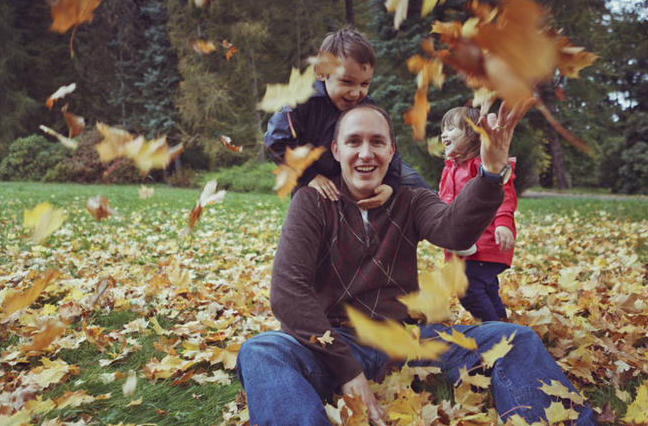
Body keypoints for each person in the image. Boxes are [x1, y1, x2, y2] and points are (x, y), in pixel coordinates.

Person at [238, 101, 596, 426]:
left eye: (377, 142)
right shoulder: (312, 202)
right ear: (336, 149)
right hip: (336, 342)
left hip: (406, 339)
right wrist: (347, 370)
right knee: (261, 351)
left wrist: (489, 173)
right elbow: (287, 294)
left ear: (391, 151)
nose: (366, 153)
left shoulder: (410, 198)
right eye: (354, 142)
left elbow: (454, 232)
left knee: (516, 338)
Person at [263, 27, 431, 208]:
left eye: (365, 83)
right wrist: (309, 176)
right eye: (346, 82)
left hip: (357, 168)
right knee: (307, 205)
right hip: (313, 172)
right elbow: (275, 141)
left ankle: (445, 223)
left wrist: (389, 184)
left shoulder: (368, 107)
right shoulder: (302, 101)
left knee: (414, 182)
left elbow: (389, 148)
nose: (356, 92)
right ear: (321, 72)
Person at [440, 106, 518, 322]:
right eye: (443, 130)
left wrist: (504, 222)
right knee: (487, 289)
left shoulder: (482, 166)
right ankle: (503, 327)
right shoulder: (449, 169)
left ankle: (493, 331)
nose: (444, 134)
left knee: (469, 289)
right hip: (463, 247)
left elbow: (504, 192)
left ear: (473, 134)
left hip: (485, 243)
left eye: (451, 128)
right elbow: (443, 204)